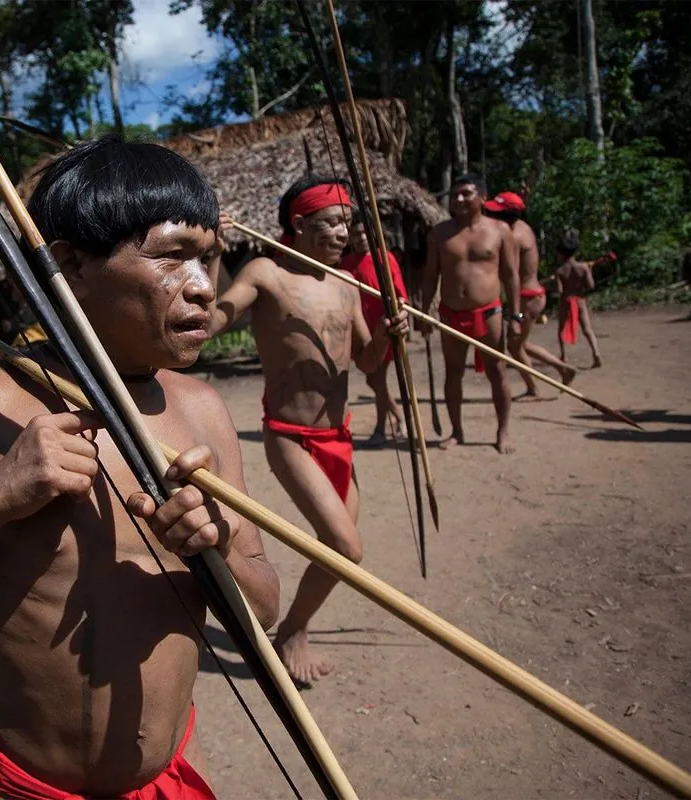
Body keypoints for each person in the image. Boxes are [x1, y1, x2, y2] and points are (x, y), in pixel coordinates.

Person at [0, 136, 281, 800]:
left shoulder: (204, 410)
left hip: (167, 776)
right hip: (29, 787)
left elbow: (264, 609)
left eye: (209, 259)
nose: (204, 288)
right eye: (173, 258)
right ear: (68, 265)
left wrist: (212, 551)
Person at [207, 176, 409, 686]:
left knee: (339, 552)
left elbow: (366, 360)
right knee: (346, 547)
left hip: (338, 435)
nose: (346, 232)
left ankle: (293, 630)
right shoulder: (266, 274)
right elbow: (210, 322)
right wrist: (212, 255)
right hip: (290, 435)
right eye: (334, 222)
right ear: (299, 224)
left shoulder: (346, 283)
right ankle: (293, 631)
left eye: (348, 222)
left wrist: (387, 335)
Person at [419, 174, 521, 454]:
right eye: (455, 195)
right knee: (453, 374)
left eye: (466, 193)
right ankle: (457, 431)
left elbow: (511, 276)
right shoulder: (439, 233)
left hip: (489, 313)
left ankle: (502, 431)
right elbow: (430, 276)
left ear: (483, 198)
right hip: (451, 314)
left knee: (497, 371)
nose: (459, 199)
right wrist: (424, 311)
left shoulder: (500, 231)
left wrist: (516, 317)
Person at [482, 191, 577, 399]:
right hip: (531, 294)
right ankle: (562, 369)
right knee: (519, 344)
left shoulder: (513, 235)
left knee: (515, 347)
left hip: (526, 297)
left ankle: (535, 387)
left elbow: (511, 273)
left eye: (496, 213)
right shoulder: (523, 228)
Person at [340, 217, 408, 446]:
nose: (360, 238)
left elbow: (400, 295)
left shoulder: (384, 258)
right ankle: (399, 418)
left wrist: (398, 318)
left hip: (383, 330)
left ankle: (381, 428)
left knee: (377, 379)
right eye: (355, 233)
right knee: (373, 380)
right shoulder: (346, 262)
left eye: (363, 233)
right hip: (359, 332)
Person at [554, 231, 603, 368]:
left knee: (561, 330)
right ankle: (596, 353)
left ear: (562, 253)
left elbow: (559, 291)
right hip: (579, 300)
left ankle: (564, 356)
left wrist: (553, 285)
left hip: (566, 301)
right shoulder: (583, 268)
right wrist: (589, 271)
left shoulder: (560, 271)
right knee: (587, 329)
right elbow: (591, 285)